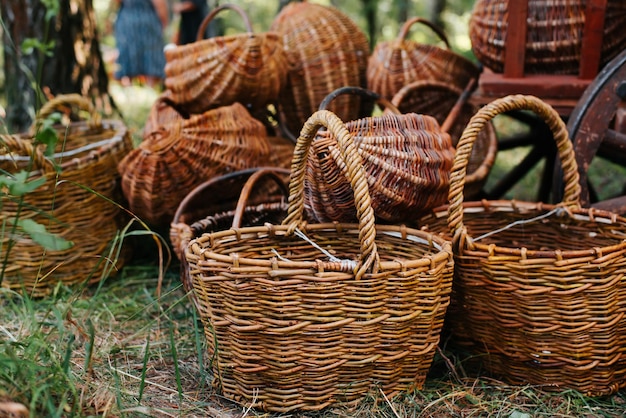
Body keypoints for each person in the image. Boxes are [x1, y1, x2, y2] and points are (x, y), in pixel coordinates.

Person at [113, 0, 169, 87]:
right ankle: (149, 89)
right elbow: (160, 4)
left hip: (127, 19)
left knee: (130, 55)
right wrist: (164, 21)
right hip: (147, 20)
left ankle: (130, 90)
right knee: (151, 57)